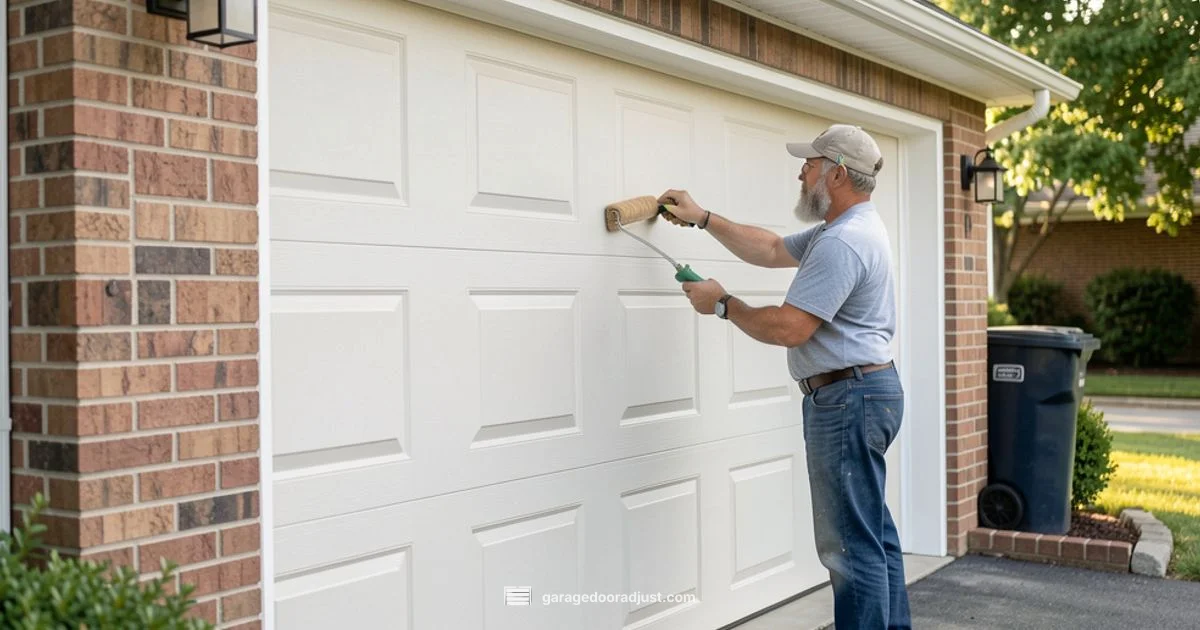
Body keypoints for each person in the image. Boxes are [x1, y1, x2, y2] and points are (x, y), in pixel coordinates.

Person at [657, 124, 910, 630]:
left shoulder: (846, 241)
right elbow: (771, 248)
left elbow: (791, 327)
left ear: (836, 173)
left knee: (847, 547)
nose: (801, 171)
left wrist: (724, 304)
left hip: (847, 399)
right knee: (871, 536)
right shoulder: (843, 227)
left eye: (810, 164)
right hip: (865, 391)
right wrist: (703, 218)